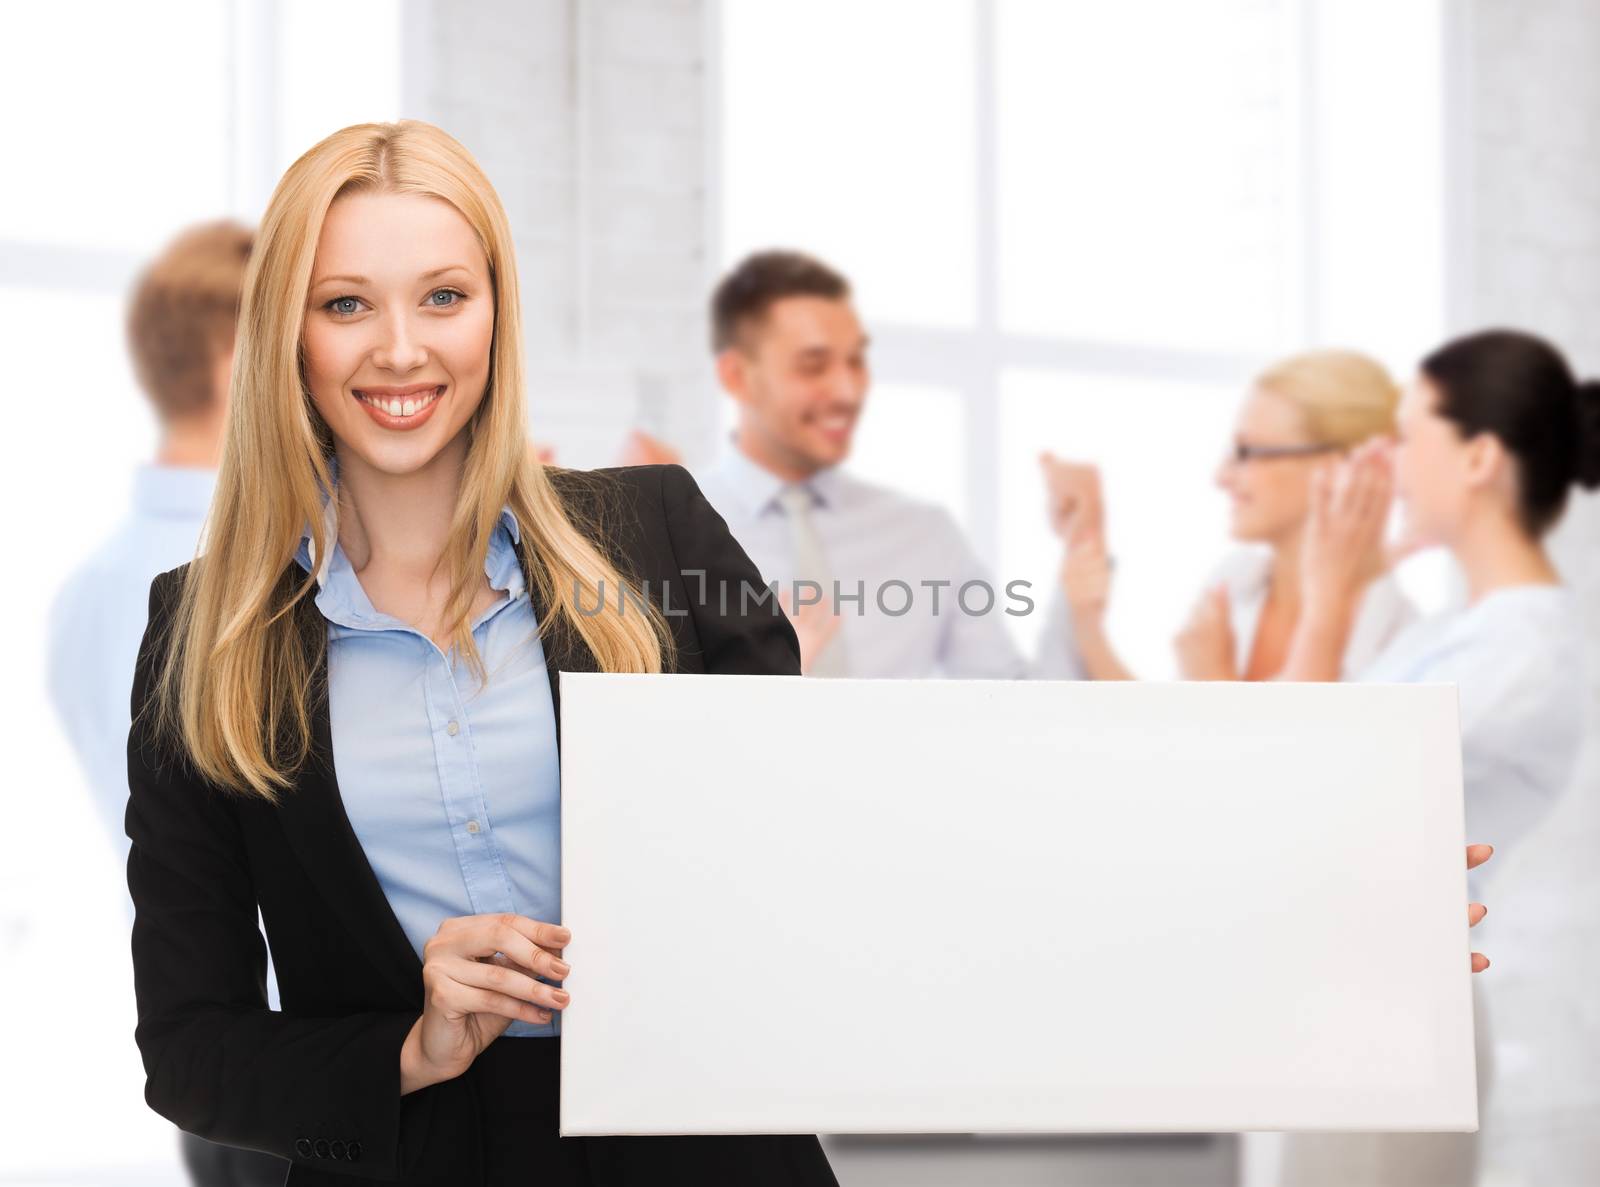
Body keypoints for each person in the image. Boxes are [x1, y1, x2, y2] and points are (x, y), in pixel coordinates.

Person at [124, 120, 838, 1186]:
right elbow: (190, 1048)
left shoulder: (661, 532)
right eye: (346, 303)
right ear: (289, 332)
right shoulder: (204, 635)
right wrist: (412, 1046)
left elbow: (809, 878)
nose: (401, 347)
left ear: (496, 318)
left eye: (444, 297)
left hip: (707, 1147)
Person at [1267, 328, 1597, 1186]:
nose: (1387, 458)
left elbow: (1292, 790)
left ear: (1480, 456)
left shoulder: (1521, 657)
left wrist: (1328, 601)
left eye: (1408, 433)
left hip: (1400, 1018)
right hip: (1361, 1008)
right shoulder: (1466, 635)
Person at [46, 219, 288, 1187]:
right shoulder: (231, 582)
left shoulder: (87, 586)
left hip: (230, 1068)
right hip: (301, 1066)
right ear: (240, 362)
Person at [691, 249, 1060, 677]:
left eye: (856, 361)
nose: (848, 391)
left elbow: (1013, 704)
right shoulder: (673, 534)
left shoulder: (925, 534)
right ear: (735, 376)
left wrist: (1076, 590)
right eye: (814, 367)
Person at [1047, 349, 1417, 682]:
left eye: (1247, 451)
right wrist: (1088, 624)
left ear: (1338, 468)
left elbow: (1278, 752)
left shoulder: (1398, 646)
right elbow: (1168, 734)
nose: (1220, 477)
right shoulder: (1236, 583)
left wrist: (1215, 687)